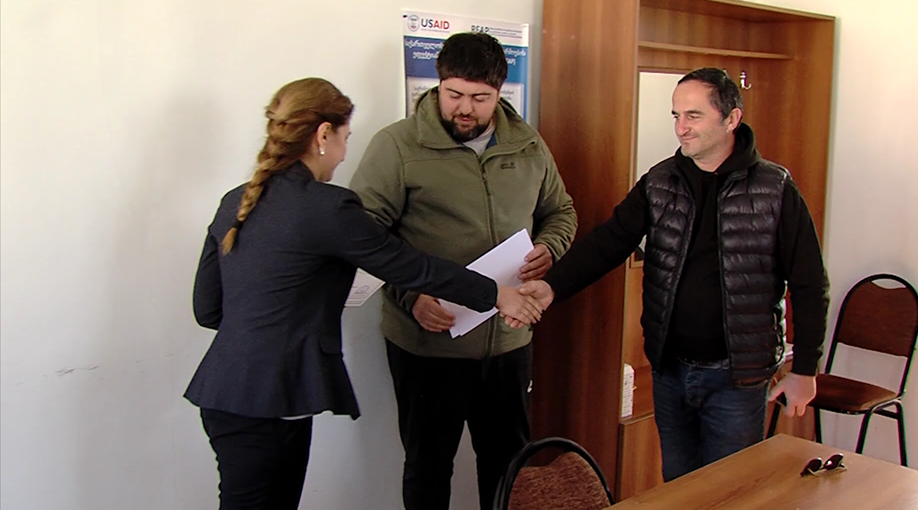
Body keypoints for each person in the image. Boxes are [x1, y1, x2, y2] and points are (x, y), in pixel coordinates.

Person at [183, 77, 543, 510]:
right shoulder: (327, 207)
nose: (343, 152)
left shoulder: (235, 201)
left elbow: (208, 308)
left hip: (225, 392)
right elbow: (412, 266)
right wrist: (497, 294)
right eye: (345, 138)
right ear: (323, 135)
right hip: (272, 394)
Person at [519, 67, 829, 482]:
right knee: (678, 490)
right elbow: (610, 242)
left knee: (730, 493)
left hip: (737, 378)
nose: (681, 128)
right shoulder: (660, 181)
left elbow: (810, 283)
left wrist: (805, 369)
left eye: (694, 116)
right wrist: (551, 287)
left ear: (732, 119)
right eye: (676, 115)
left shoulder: (775, 189)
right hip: (670, 371)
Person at [349, 33, 577, 510]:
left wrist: (548, 247)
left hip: (509, 343)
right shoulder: (397, 145)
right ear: (438, 84)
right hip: (428, 345)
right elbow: (364, 236)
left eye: (480, 98)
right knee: (428, 469)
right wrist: (410, 295)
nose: (465, 109)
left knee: (509, 467)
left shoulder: (528, 144)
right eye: (454, 94)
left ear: (500, 92)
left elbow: (561, 211)